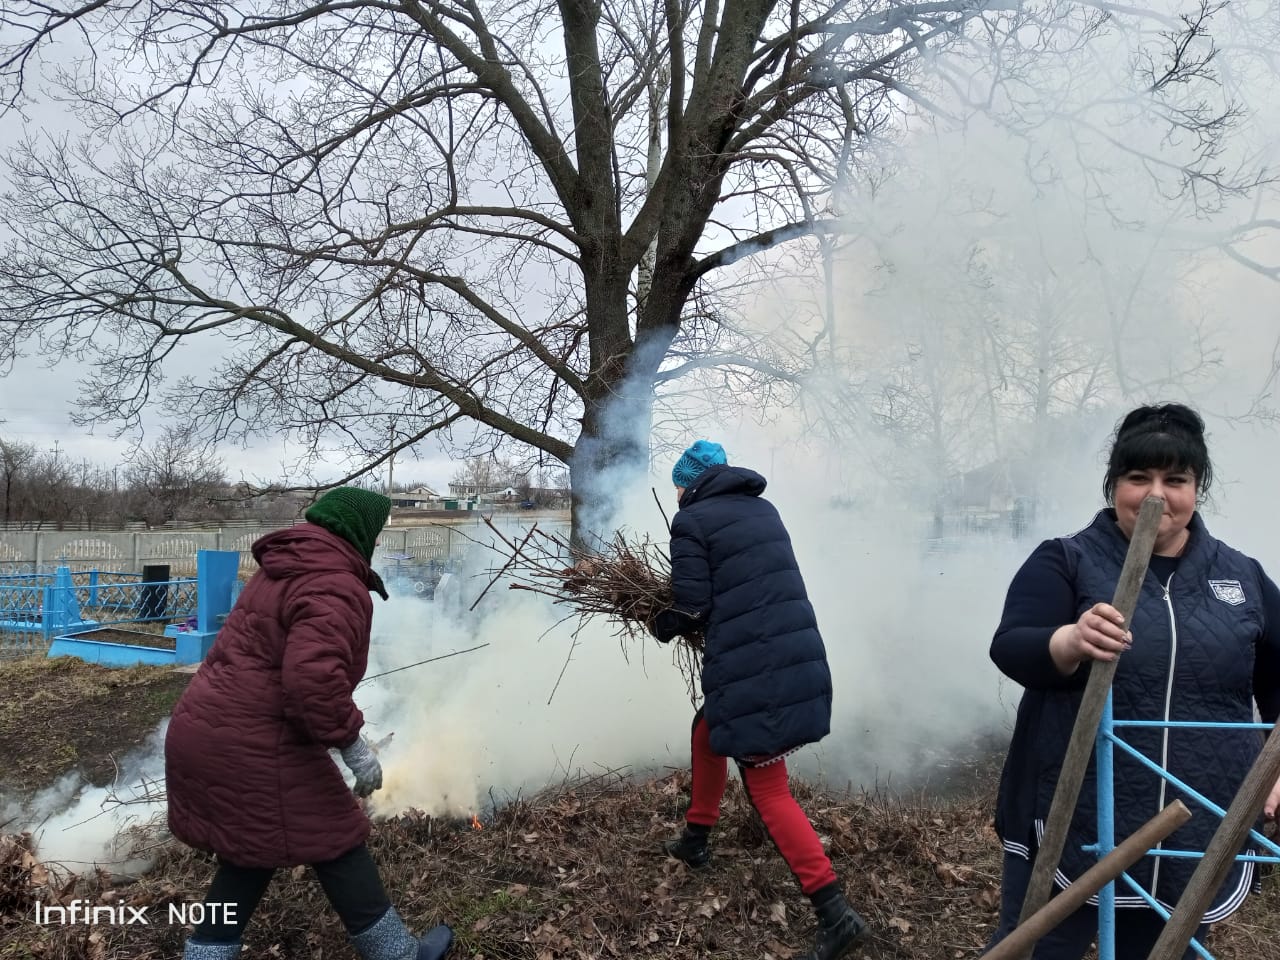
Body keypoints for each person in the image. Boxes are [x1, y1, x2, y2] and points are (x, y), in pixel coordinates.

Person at [985, 404, 1280, 958]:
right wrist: (1070, 641)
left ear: (1198, 488)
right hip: (1075, 814)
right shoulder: (1067, 560)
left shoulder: (1241, 576)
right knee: (1039, 948)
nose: (1156, 495)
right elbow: (1012, 645)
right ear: (1113, 484)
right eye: (1138, 478)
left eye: (1176, 480)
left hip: (1196, 823)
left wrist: (1274, 768)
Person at [165, 487, 453, 960]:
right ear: (361, 532)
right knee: (336, 837)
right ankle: (399, 955)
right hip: (257, 744)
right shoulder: (334, 583)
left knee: (252, 850)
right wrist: (353, 747)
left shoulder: (287, 567)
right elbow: (311, 680)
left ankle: (207, 952)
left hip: (209, 728)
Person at [650, 440, 869, 960]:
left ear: (690, 482)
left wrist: (662, 623)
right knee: (709, 732)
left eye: (678, 485)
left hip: (758, 667)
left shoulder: (692, 521)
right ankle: (696, 838)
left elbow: (693, 606)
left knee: (767, 788)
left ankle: (835, 913)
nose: (676, 494)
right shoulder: (762, 508)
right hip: (790, 650)